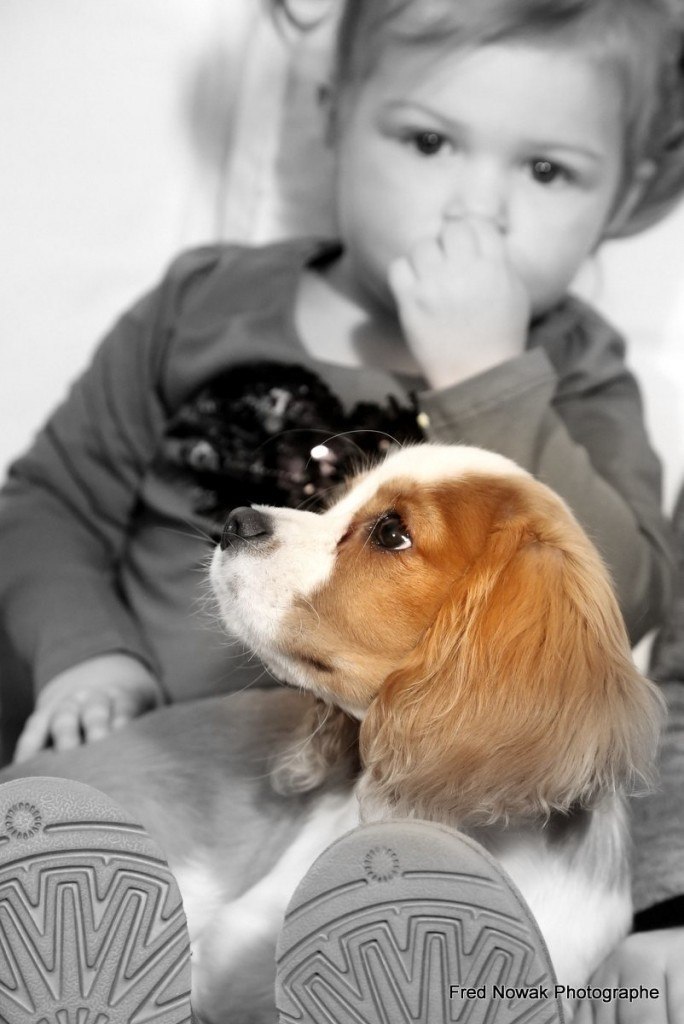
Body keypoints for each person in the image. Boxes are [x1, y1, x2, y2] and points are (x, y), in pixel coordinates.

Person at [0, 0, 681, 765]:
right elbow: (49, 507)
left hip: (390, 807)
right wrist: (88, 657)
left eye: (547, 169)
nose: (478, 207)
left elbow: (615, 613)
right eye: (429, 142)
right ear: (335, 117)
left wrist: (489, 380)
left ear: (624, 193)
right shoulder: (205, 303)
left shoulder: (574, 372)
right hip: (145, 760)